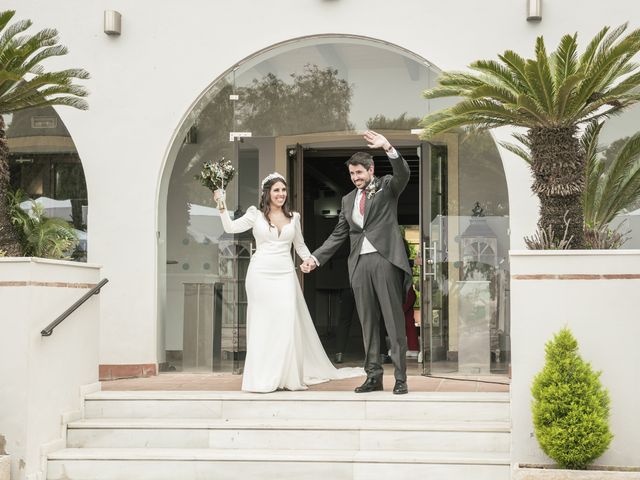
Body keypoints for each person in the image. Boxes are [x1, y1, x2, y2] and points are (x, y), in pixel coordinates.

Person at [214, 174, 363, 393]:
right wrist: (220, 204)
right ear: (267, 193)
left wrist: (311, 261)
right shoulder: (255, 215)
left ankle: (286, 376)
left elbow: (300, 246)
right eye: (276, 190)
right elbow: (229, 228)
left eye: (283, 190)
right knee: (263, 323)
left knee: (285, 323)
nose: (281, 194)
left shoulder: (294, 217)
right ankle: (262, 376)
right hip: (260, 274)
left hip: (285, 274)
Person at [302, 130, 413, 395]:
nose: (356, 178)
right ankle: (373, 376)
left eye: (359, 173)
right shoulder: (347, 200)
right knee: (368, 322)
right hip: (359, 264)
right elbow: (339, 234)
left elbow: (403, 174)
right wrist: (315, 258)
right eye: (352, 174)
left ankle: (400, 377)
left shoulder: (387, 186)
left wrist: (388, 146)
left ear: (370, 170)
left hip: (385, 260)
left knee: (393, 321)